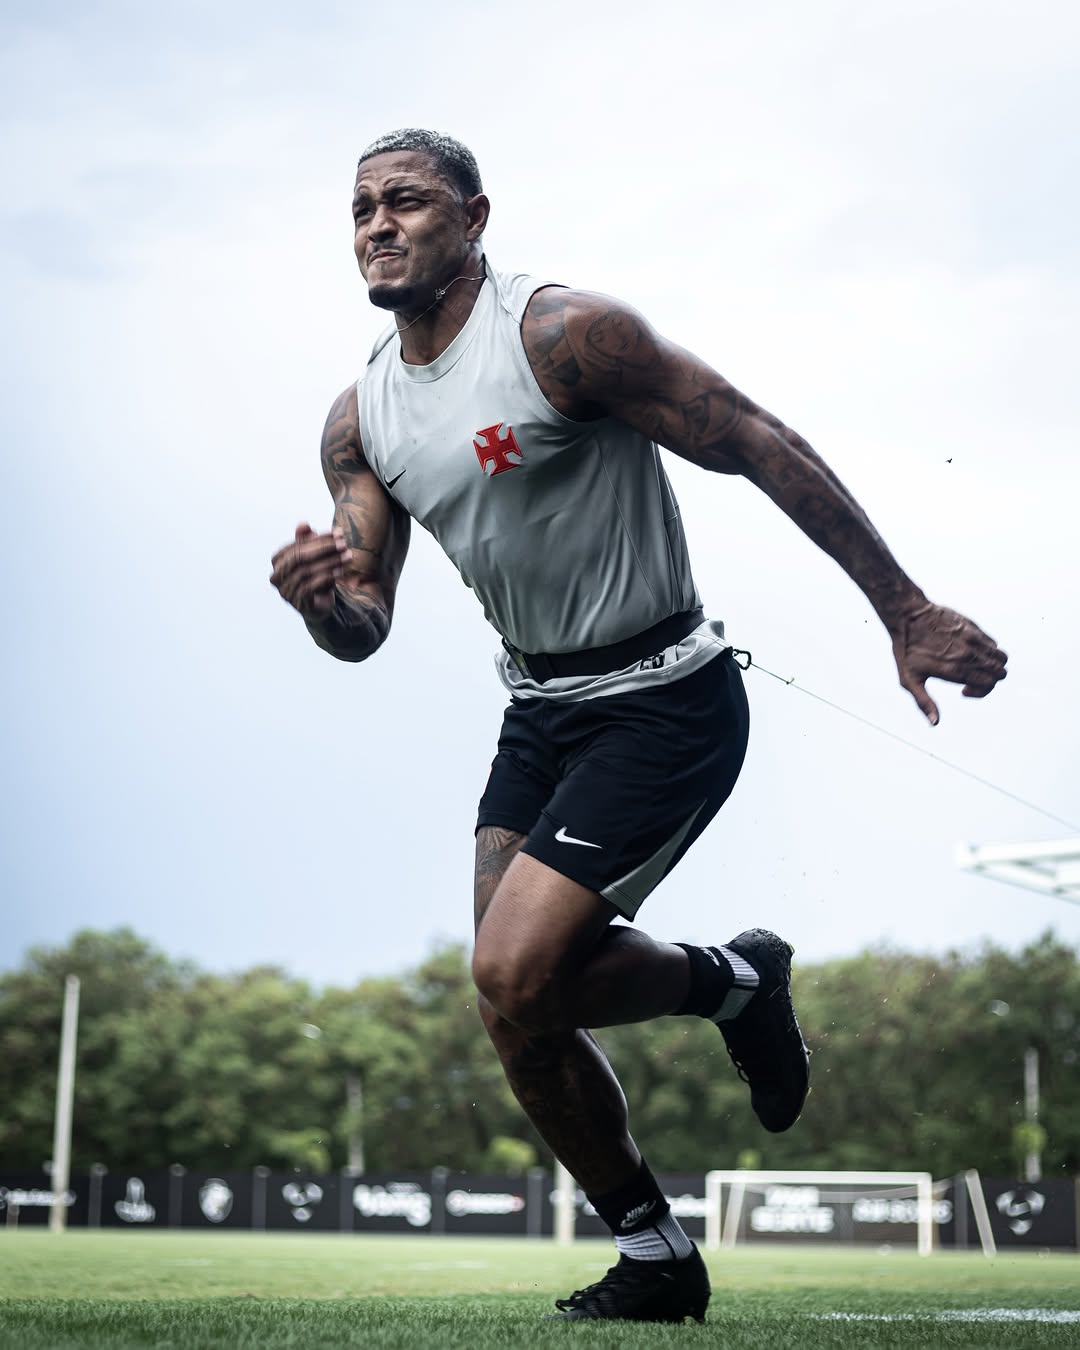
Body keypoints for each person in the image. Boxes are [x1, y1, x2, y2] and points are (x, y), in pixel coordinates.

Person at [270, 129, 1007, 1322]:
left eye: (406, 200)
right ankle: (658, 1250)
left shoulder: (562, 337)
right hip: (540, 712)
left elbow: (755, 436)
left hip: (665, 698)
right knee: (513, 1007)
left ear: (475, 217)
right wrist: (322, 606)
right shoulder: (361, 420)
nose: (378, 225)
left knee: (514, 969)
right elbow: (365, 626)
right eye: (361, 208)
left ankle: (734, 985)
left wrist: (906, 610)